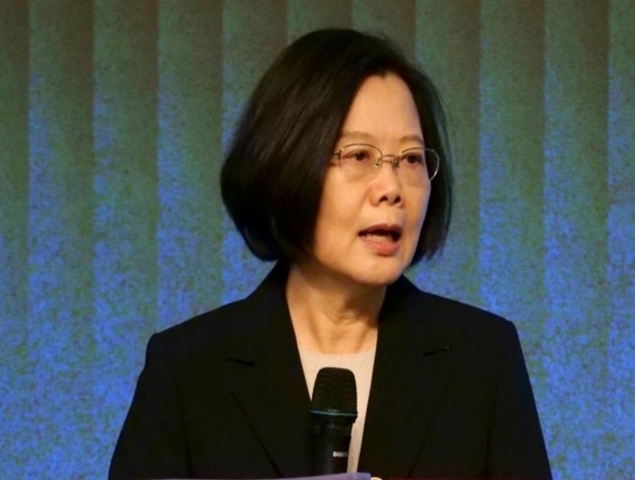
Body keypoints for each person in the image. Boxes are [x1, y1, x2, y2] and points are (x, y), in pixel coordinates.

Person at [109, 29, 552, 480]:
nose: (391, 188)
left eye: (411, 159)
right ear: (287, 163)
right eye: (359, 156)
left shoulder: (482, 360)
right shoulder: (188, 371)